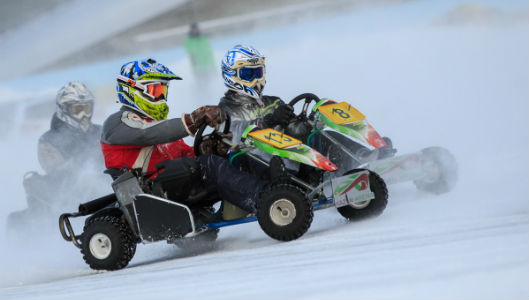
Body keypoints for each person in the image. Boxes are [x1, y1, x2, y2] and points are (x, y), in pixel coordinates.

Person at [100, 58, 268, 214]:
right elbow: (147, 133)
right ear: (132, 89)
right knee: (209, 165)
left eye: (163, 91)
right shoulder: (116, 123)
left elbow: (183, 154)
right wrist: (192, 120)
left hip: (174, 181)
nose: (160, 97)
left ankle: (278, 186)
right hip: (149, 191)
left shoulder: (155, 124)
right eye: (155, 90)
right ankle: (264, 199)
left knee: (236, 156)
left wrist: (208, 148)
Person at [7, 82, 104, 232]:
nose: (84, 115)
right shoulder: (49, 140)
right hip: (66, 192)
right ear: (64, 110)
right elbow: (55, 169)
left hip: (104, 182)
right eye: (78, 109)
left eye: (87, 109)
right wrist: (85, 168)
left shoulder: (100, 131)